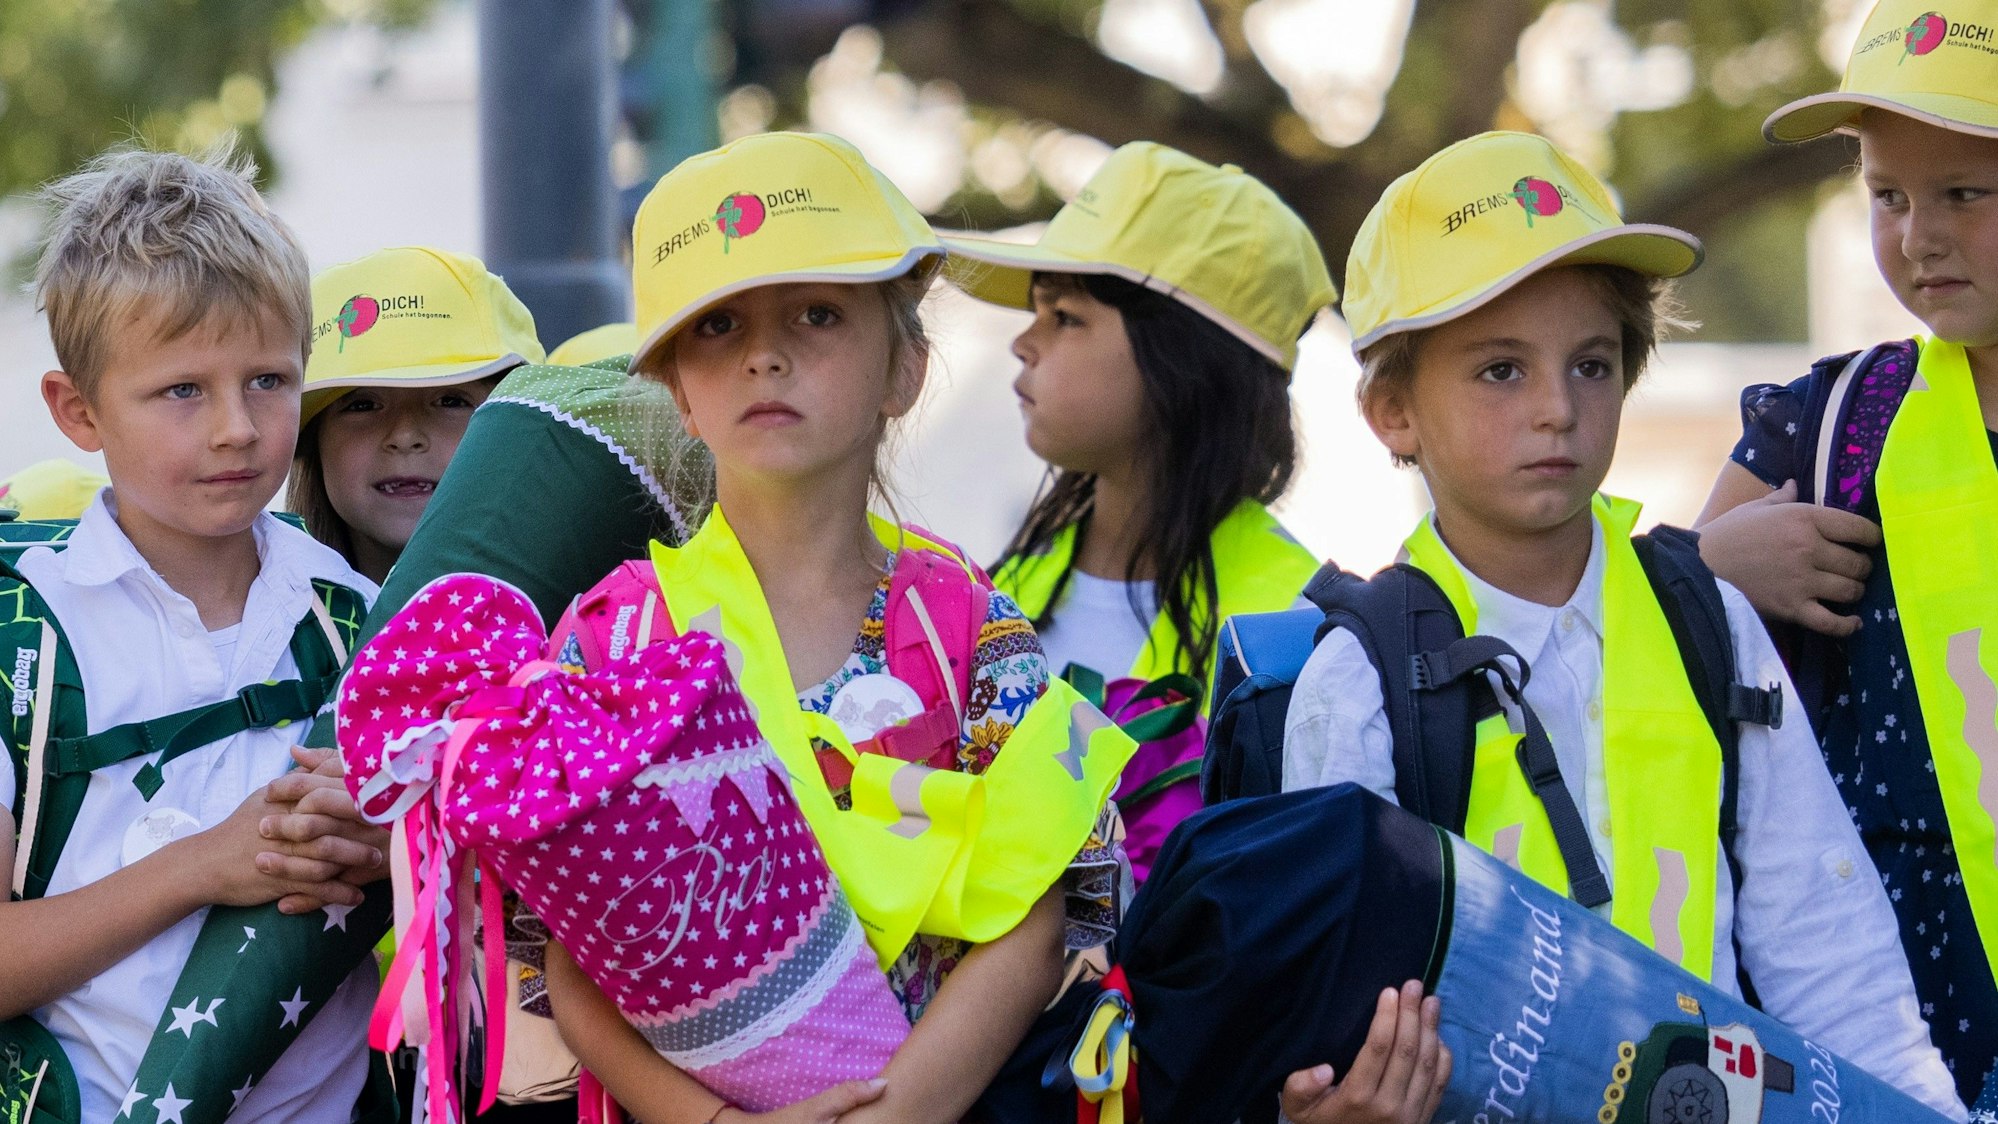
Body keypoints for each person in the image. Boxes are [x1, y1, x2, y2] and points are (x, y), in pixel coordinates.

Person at [1283, 129, 1964, 1118]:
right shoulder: (1360, 677)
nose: (1558, 407)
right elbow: (1332, 1014)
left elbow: (1828, 941)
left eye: (1592, 365)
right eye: (1501, 371)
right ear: (1392, 411)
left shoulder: (1710, 622)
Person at [511, 131, 1131, 1124]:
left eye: (817, 313)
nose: (765, 353)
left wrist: (904, 1109)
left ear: (906, 369)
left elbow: (1044, 895)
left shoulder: (969, 616)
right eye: (717, 325)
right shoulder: (609, 638)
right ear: (673, 386)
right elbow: (566, 952)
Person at [0, 145, 387, 1122]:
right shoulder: (22, 634)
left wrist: (394, 844)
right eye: (183, 390)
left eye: (268, 379)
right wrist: (204, 863)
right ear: (77, 410)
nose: (236, 428)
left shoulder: (350, 611)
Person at [1693, 0, 1998, 1107]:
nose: (1919, 235)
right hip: (1882, 1001)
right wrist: (1721, 564)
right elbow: (1635, 615)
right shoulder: (1830, 425)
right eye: (1888, 196)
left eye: (1967, 192)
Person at [950, 142, 1329, 701]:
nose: (1023, 342)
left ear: (1185, 361)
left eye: (1066, 317)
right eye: (1036, 312)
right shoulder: (986, 599)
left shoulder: (1302, 628)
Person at [288, 246, 545, 583]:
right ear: (312, 439)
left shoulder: (588, 619)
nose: (405, 436)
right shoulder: (267, 628)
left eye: (450, 401)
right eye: (362, 405)